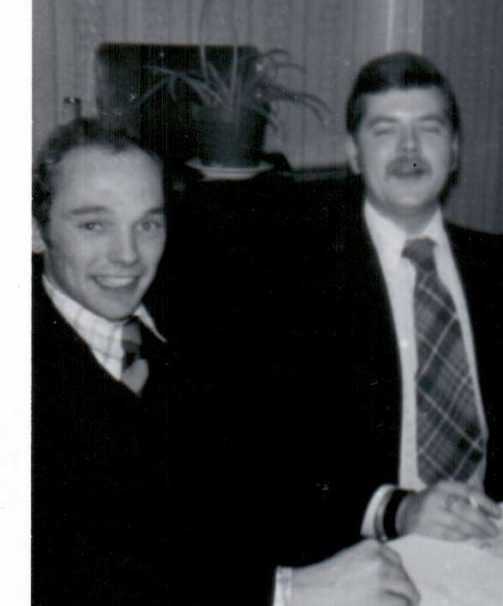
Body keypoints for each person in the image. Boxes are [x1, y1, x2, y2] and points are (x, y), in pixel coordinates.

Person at [31, 119, 419, 606]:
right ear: (37, 230)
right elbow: (65, 573)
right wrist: (286, 591)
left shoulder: (191, 316)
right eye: (94, 225)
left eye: (148, 224)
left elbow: (267, 467)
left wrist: (393, 509)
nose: (128, 255)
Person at [291, 52, 503, 550]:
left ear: (455, 151)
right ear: (354, 153)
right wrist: (397, 510)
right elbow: (273, 450)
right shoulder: (298, 276)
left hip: (496, 532)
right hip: (368, 548)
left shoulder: (499, 263)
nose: (409, 148)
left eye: (429, 128)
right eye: (385, 130)